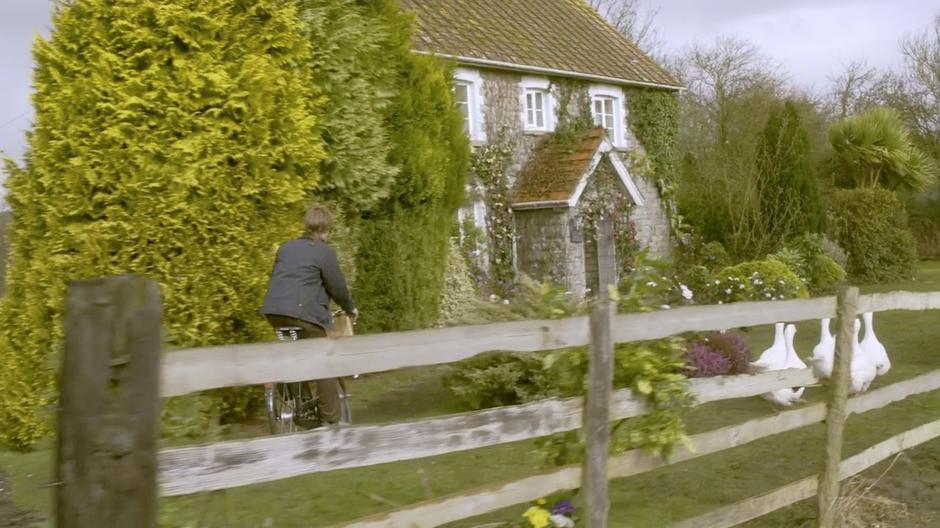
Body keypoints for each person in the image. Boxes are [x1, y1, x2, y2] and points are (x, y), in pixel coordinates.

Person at [261, 204, 358, 425]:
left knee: (297, 354)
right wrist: (351, 308)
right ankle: (331, 420)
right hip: (302, 313)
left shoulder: (286, 248)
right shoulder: (323, 251)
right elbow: (338, 287)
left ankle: (301, 404)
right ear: (327, 229)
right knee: (325, 358)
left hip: (275, 312)